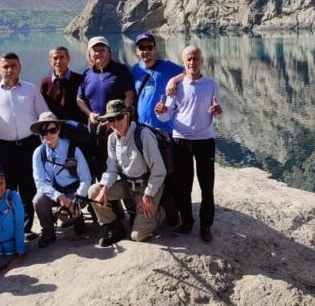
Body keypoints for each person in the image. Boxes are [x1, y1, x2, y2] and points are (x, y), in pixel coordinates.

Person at [0, 52, 49, 241]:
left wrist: (48, 144)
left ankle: (26, 228)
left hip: (29, 145)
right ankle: (9, 228)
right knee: (5, 188)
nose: (9, 70)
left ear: (20, 67)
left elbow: (44, 117)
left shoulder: (31, 90)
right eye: (5, 66)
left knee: (29, 187)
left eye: (13, 66)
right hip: (3, 148)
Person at [156, 45, 222, 243]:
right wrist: (161, 111)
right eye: (189, 59)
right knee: (183, 185)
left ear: (201, 61)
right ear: (183, 62)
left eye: (195, 59)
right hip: (181, 140)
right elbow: (166, 114)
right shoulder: (176, 87)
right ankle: (186, 223)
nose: (192, 62)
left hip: (205, 140)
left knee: (207, 186)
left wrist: (218, 112)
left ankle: (205, 225)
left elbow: (219, 114)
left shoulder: (211, 84)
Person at [88, 100, 166, 246]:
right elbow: (112, 168)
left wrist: (148, 196)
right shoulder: (112, 139)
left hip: (146, 187)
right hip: (128, 185)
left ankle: (160, 213)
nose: (116, 122)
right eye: (111, 119)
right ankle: (113, 225)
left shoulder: (143, 135)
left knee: (137, 236)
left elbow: (159, 171)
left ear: (127, 115)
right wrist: (104, 189)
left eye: (119, 117)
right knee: (94, 192)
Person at [30, 112, 91, 248]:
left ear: (59, 130)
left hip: (74, 191)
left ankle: (77, 219)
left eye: (52, 130)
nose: (49, 135)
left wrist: (77, 199)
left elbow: (86, 178)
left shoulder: (72, 148)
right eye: (44, 132)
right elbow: (40, 182)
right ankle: (48, 232)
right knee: (38, 201)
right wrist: (59, 197)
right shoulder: (39, 153)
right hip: (54, 192)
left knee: (74, 215)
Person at [76, 36, 135, 177]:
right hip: (96, 127)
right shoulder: (87, 73)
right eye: (95, 50)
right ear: (89, 53)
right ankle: (106, 191)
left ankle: (127, 190)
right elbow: (80, 99)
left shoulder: (120, 70)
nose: (98, 53)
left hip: (119, 127)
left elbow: (130, 96)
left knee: (123, 163)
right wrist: (89, 114)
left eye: (102, 50)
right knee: (101, 163)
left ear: (109, 52)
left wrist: (116, 117)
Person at [131, 32, 183, 135]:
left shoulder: (167, 66)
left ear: (155, 49)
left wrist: (173, 80)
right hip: (142, 128)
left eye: (149, 47)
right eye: (142, 48)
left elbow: (188, 73)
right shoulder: (135, 69)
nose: (146, 51)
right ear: (137, 51)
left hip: (164, 130)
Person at [39, 46, 86, 124]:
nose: (58, 61)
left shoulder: (79, 80)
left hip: (77, 126)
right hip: (55, 127)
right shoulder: (45, 83)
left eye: (62, 57)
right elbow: (42, 107)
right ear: (50, 61)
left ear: (68, 59)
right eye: (55, 58)